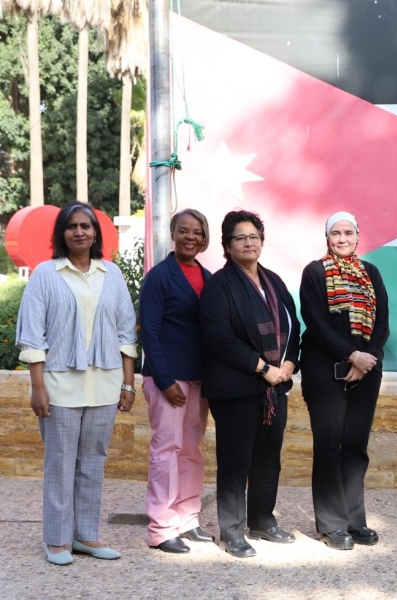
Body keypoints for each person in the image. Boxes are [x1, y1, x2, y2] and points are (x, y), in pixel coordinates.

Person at [15, 201, 137, 566]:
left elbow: (126, 332)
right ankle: (56, 540)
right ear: (62, 233)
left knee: (93, 461)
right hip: (58, 385)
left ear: (96, 233)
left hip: (104, 384)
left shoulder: (111, 274)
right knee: (60, 462)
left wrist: (128, 384)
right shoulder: (45, 274)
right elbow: (33, 334)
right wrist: (38, 387)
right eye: (72, 226)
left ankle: (85, 535)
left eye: (86, 225)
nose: (79, 231)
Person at [199, 209, 300, 558]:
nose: (248, 243)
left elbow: (293, 325)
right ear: (227, 245)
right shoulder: (219, 286)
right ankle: (231, 531)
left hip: (275, 387)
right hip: (236, 388)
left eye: (253, 236)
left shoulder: (274, 281)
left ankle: (262, 520)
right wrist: (262, 367)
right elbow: (219, 338)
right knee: (235, 462)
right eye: (239, 237)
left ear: (262, 241)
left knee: (268, 459)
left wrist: (290, 362)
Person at [299, 212, 390, 550]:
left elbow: (382, 321)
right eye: (335, 233)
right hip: (325, 370)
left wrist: (367, 359)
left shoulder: (371, 273)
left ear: (357, 236)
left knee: (355, 446)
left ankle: (354, 519)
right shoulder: (315, 272)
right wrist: (352, 355)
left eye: (348, 232)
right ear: (327, 238)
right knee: (329, 444)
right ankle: (332, 524)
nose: (342, 238)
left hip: (366, 371)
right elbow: (315, 321)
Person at [139, 209, 213, 554]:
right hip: (168, 378)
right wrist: (164, 379)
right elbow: (149, 332)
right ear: (173, 235)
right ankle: (161, 527)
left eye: (197, 232)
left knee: (191, 450)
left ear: (204, 238)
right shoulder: (159, 277)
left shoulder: (208, 277)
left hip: (199, 378)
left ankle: (187, 518)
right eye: (183, 230)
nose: (190, 237)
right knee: (166, 451)